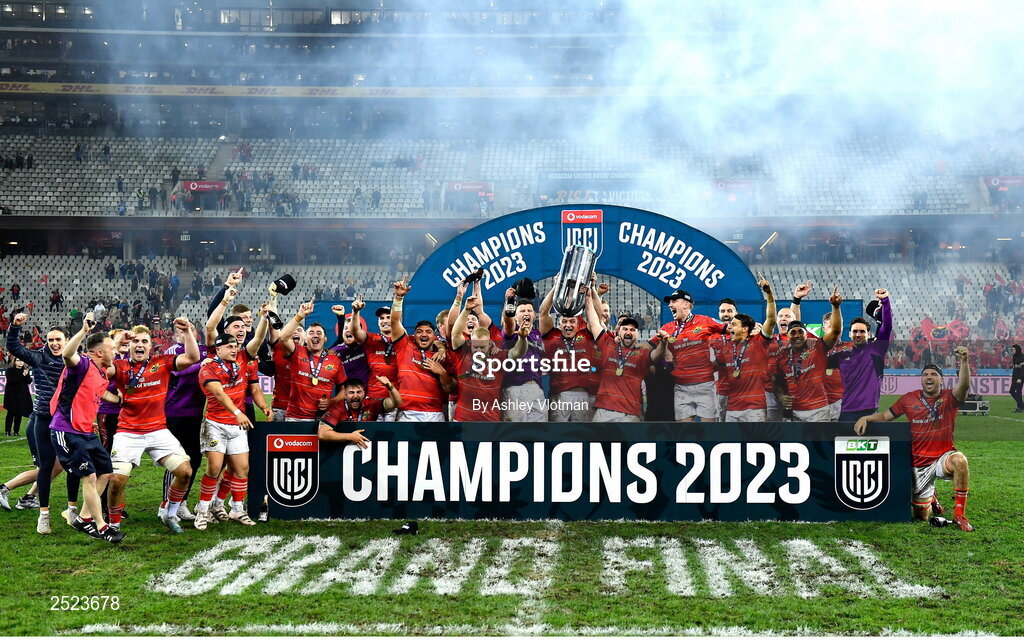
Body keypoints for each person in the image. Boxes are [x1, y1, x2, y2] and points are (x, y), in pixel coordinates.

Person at [854, 347, 974, 532]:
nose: (929, 377)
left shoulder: (950, 398)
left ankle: (959, 515)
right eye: (925, 374)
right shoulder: (908, 399)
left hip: (943, 457)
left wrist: (964, 361)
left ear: (941, 380)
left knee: (960, 461)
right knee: (921, 517)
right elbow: (885, 416)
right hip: (919, 463)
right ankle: (931, 497)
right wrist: (867, 418)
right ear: (921, 379)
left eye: (933, 374)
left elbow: (964, 386)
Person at [105, 321, 199, 534]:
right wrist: (117, 342)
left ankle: (170, 513)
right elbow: (97, 367)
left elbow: (193, 358)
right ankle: (113, 524)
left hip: (157, 430)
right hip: (128, 432)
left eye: (144, 341)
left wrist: (188, 332)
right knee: (117, 480)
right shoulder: (119, 366)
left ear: (150, 346)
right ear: (130, 345)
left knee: (185, 471)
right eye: (135, 341)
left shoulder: (162, 362)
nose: (140, 344)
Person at [49, 314, 125, 543]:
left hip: (86, 432)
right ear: (99, 352)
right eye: (112, 349)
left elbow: (101, 394)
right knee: (90, 476)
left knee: (106, 472)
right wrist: (83, 331)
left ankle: (82, 518)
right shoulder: (82, 364)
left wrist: (120, 400)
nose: (115, 352)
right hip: (67, 430)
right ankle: (101, 526)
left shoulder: (101, 372)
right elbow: (67, 354)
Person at [2, 314, 80, 532]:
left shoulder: (76, 361)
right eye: (50, 339)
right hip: (43, 419)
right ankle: (43, 515)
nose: (54, 343)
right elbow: (13, 347)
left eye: (58, 340)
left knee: (71, 465)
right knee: (46, 467)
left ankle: (72, 509)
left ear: (67, 341)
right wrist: (15, 326)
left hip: (67, 420)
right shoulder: (38, 357)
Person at [193, 333, 266, 530]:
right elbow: (219, 393)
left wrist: (265, 319)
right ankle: (203, 510)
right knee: (214, 468)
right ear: (218, 349)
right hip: (215, 424)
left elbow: (258, 340)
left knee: (242, 468)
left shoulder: (242, 361)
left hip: (236, 425)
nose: (234, 349)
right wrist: (237, 412)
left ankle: (236, 509)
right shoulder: (208, 368)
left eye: (235, 346)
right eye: (229, 346)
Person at [585, 287, 665, 421]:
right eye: (625, 329)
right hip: (603, 411)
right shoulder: (608, 344)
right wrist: (588, 298)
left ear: (638, 334)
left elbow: (657, 354)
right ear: (619, 331)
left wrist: (663, 343)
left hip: (629, 414)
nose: (628, 332)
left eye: (632, 330)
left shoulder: (642, 354)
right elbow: (593, 322)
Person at [389, 275, 456, 421]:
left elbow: (451, 389)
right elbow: (394, 321)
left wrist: (441, 372)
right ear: (414, 335)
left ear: (434, 336)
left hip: (435, 414)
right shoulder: (405, 346)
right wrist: (398, 298)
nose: (423, 334)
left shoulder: (442, 355)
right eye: (419, 331)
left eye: (428, 332)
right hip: (407, 413)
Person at [450, 297, 530, 421]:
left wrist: (523, 339)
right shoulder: (463, 351)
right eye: (475, 347)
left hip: (490, 420)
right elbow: (455, 334)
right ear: (470, 342)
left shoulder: (498, 356)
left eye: (482, 347)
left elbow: (517, 353)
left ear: (489, 343)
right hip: (462, 419)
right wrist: (466, 310)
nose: (478, 351)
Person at [712, 275, 777, 422]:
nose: (729, 326)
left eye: (733, 324)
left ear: (745, 328)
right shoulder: (726, 348)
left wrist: (768, 294)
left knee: (755, 438)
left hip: (754, 407)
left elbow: (771, 320)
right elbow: (712, 367)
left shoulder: (759, 341)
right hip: (732, 408)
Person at [773, 286, 843, 421]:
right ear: (788, 336)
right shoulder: (782, 355)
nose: (797, 335)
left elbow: (835, 331)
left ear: (807, 334)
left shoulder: (817, 347)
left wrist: (835, 307)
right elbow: (776, 381)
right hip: (793, 412)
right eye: (793, 332)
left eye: (801, 332)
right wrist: (781, 396)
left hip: (819, 410)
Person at [278, 299, 347, 421]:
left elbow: (344, 391)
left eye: (319, 333)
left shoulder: (335, 360)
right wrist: (300, 315)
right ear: (305, 338)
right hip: (295, 418)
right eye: (311, 333)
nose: (315, 335)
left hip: (322, 419)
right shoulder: (297, 352)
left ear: (325, 339)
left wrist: (331, 401)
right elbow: (282, 337)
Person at [539, 287, 599, 422]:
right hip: (558, 395)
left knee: (583, 433)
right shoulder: (551, 335)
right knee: (558, 432)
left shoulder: (586, 335)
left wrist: (591, 293)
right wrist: (556, 287)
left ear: (578, 325)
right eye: (564, 321)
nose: (568, 325)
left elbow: (597, 317)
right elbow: (543, 312)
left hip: (583, 395)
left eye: (572, 321)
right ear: (559, 324)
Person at [832, 289, 893, 422]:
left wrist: (885, 301)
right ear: (849, 334)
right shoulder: (841, 356)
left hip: (869, 412)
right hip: (846, 411)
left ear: (869, 334)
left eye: (862, 331)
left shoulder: (876, 349)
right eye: (855, 331)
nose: (858, 334)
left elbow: (887, 326)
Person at [349, 297, 400, 420]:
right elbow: (355, 331)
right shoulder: (372, 339)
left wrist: (440, 348)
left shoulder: (403, 341)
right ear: (378, 322)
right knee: (369, 431)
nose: (385, 321)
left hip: (395, 398)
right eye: (381, 318)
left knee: (393, 432)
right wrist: (355, 312)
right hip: (373, 397)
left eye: (388, 317)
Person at [319, 377, 398, 435]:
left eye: (358, 392)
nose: (355, 396)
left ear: (364, 393)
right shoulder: (337, 408)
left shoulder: (371, 404)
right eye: (351, 392)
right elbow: (322, 433)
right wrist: (351, 437)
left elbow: (396, 403)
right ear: (345, 395)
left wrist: (390, 387)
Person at [4, 357, 32, 437]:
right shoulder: (10, 370)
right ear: (14, 361)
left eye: (22, 360)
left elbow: (29, 381)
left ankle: (16, 431)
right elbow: (12, 381)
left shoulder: (24, 370)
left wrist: (26, 375)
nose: (21, 362)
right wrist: (22, 375)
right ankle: (7, 431)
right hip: (12, 395)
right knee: (10, 413)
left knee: (19, 414)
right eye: (18, 360)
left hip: (22, 395)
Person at [1010, 344, 1024, 412]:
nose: (1013, 351)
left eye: (1014, 349)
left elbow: (1022, 369)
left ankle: (1019, 408)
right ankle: (1021, 405)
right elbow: (1015, 368)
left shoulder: (1022, 357)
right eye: (1012, 349)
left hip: (1020, 377)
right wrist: (1013, 376)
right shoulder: (1014, 357)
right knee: (1011, 391)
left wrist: (1020, 378)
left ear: (1017, 349)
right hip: (1015, 377)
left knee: (1018, 392)